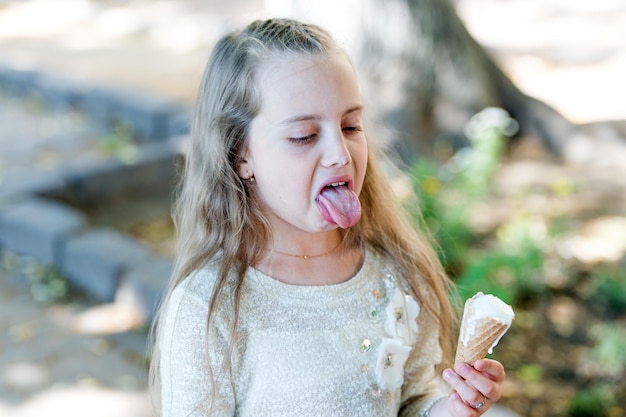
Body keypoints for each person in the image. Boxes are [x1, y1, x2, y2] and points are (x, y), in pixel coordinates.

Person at [149, 17, 506, 417]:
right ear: (241, 154)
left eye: (351, 125)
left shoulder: (395, 272)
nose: (340, 153)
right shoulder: (209, 305)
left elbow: (410, 401)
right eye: (304, 136)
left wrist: (452, 409)